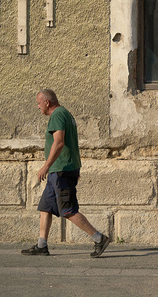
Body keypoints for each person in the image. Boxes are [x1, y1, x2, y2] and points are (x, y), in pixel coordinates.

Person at [21, 89, 111, 258]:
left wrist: (46, 166)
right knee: (46, 207)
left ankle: (99, 238)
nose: (37, 107)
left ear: (47, 102)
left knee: (68, 209)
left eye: (38, 103)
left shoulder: (58, 115)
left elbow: (59, 142)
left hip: (61, 171)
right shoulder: (64, 114)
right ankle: (42, 245)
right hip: (60, 170)